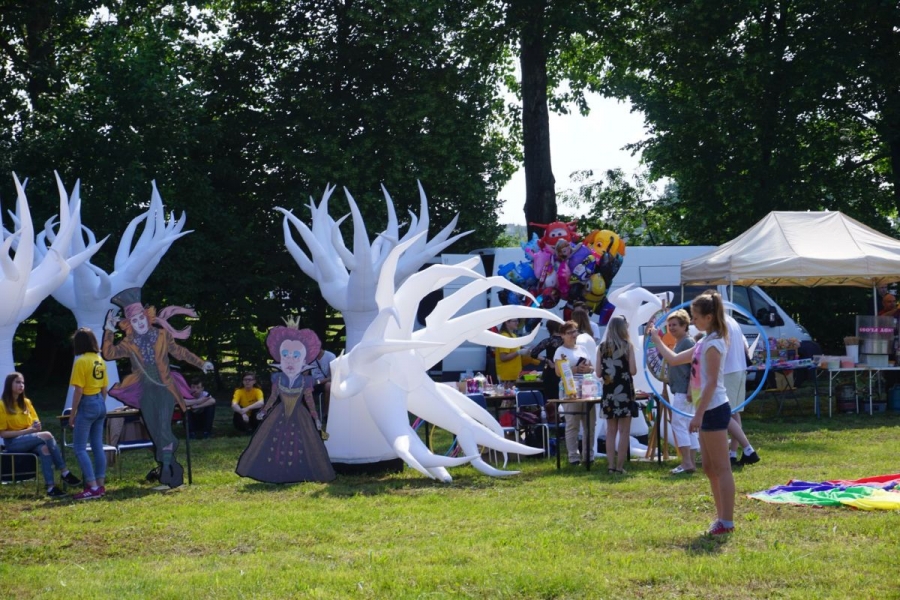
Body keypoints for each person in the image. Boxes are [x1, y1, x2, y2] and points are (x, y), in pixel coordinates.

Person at [102, 287, 214, 488]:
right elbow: (109, 354)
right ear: (129, 323)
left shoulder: (162, 335)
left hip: (165, 389)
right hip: (145, 392)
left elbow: (179, 352)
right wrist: (109, 329)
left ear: (147, 317)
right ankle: (170, 472)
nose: (139, 323)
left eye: (141, 318)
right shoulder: (129, 342)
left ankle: (169, 476)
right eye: (134, 320)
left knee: (163, 429)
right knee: (155, 433)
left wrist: (201, 363)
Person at [650, 291, 736, 536]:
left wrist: (697, 415)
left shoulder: (714, 344)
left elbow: (711, 383)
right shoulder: (703, 341)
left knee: (721, 468)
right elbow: (675, 359)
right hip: (706, 409)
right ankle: (720, 518)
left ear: (709, 317)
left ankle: (727, 521)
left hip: (714, 408)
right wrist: (657, 340)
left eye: (696, 317)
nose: (693, 321)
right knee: (709, 467)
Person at [236, 322, 335, 483]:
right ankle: (276, 470)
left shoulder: (305, 381)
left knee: (302, 441)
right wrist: (264, 411)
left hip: (300, 415)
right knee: (275, 442)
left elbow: (309, 400)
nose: (290, 360)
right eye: (286, 356)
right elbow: (273, 397)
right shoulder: (278, 379)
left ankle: (298, 470)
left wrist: (316, 418)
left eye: (295, 356)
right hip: (279, 413)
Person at [0, 372, 80, 497]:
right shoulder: (2, 405)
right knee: (47, 435)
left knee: (44, 448)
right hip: (13, 443)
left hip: (29, 438)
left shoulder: (26, 403)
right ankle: (64, 472)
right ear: (9, 384)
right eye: (17, 382)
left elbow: (36, 423)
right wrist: (28, 431)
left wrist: (36, 427)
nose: (21, 385)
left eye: (23, 382)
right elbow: (3, 434)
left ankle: (50, 487)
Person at [69, 328, 110, 500]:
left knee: (79, 448)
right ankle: (100, 485)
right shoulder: (100, 360)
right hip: (100, 401)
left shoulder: (81, 362)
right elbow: (105, 388)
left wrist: (73, 414)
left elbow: (78, 390)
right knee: (97, 445)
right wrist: (100, 404)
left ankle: (92, 487)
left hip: (87, 402)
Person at [596, 316, 637, 474]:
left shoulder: (602, 347)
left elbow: (598, 373)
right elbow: (633, 370)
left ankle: (611, 466)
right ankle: (620, 466)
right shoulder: (628, 346)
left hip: (609, 392)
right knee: (624, 431)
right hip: (624, 391)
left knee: (610, 431)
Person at [554, 320, 594, 466]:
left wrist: (588, 369)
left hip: (587, 388)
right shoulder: (560, 351)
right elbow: (558, 372)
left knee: (590, 424)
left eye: (575, 331)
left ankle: (588, 456)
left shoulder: (582, 349)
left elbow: (592, 367)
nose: (573, 335)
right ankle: (573, 457)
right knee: (572, 424)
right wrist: (575, 369)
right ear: (562, 335)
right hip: (569, 390)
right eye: (569, 332)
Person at [664, 310, 699, 475]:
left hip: (684, 391)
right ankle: (690, 462)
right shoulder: (680, 342)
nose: (671, 328)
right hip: (681, 389)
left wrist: (691, 389)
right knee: (687, 425)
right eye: (670, 325)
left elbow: (695, 368)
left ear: (685, 326)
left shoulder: (687, 342)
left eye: (675, 325)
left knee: (678, 424)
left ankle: (686, 462)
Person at [722, 312, 760, 466]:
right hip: (740, 370)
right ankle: (732, 454)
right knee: (734, 412)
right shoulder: (732, 321)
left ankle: (748, 449)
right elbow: (745, 347)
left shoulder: (720, 323)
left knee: (723, 413)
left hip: (728, 372)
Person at [494, 318, 539, 425]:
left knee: (513, 403)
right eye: (514, 321)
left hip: (515, 375)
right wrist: (518, 352)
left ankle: (511, 424)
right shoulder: (504, 337)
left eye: (517, 321)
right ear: (507, 322)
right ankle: (502, 424)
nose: (517, 323)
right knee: (507, 403)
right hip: (506, 376)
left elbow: (518, 358)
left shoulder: (513, 336)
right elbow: (503, 357)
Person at [530, 320, 564, 404]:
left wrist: (547, 360)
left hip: (550, 370)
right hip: (563, 368)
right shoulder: (565, 341)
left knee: (551, 397)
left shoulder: (548, 341)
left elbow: (533, 353)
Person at [306, 347, 336, 423]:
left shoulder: (330, 356)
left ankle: (326, 413)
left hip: (325, 382)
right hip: (314, 382)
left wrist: (319, 382)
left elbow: (333, 376)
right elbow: (306, 372)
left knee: (328, 386)